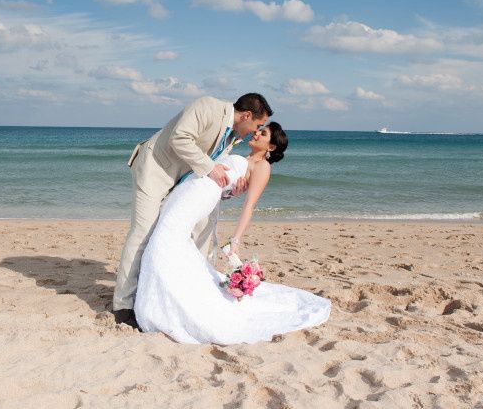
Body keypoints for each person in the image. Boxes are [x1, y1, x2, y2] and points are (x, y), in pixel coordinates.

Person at [134, 123, 331, 344]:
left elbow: (249, 205)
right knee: (169, 236)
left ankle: (166, 300)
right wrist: (228, 192)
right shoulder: (243, 157)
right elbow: (224, 182)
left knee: (166, 237)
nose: (256, 132)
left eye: (263, 133)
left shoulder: (262, 167)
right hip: (190, 189)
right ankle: (171, 294)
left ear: (272, 147)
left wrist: (235, 239)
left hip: (200, 195)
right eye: (259, 129)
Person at [113, 94, 273, 328]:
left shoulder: (232, 137)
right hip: (155, 171)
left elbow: (213, 176)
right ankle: (122, 306)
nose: (255, 131)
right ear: (247, 115)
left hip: (180, 182)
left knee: (190, 233)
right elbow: (180, 137)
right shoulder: (207, 107)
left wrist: (229, 190)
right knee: (142, 233)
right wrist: (211, 168)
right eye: (257, 125)